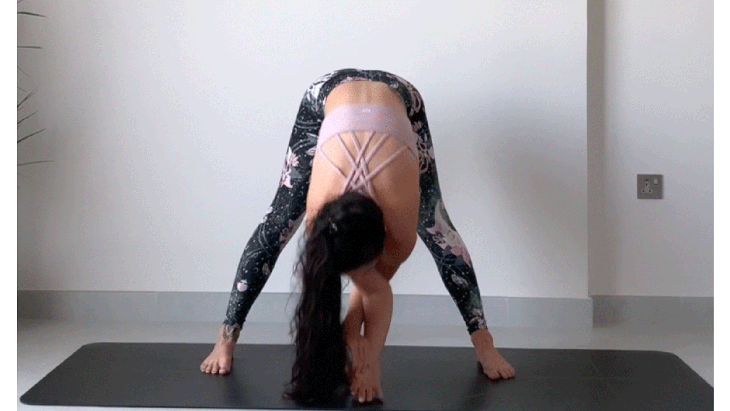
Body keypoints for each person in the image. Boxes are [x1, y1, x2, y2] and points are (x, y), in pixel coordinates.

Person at [200, 69, 515, 404]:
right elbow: (368, 284)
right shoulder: (319, 219)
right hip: (328, 94)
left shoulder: (400, 226)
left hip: (400, 96)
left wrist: (369, 362)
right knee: (276, 225)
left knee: (440, 231)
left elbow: (375, 289)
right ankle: (225, 339)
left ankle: (485, 344)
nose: (359, 275)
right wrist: (355, 352)